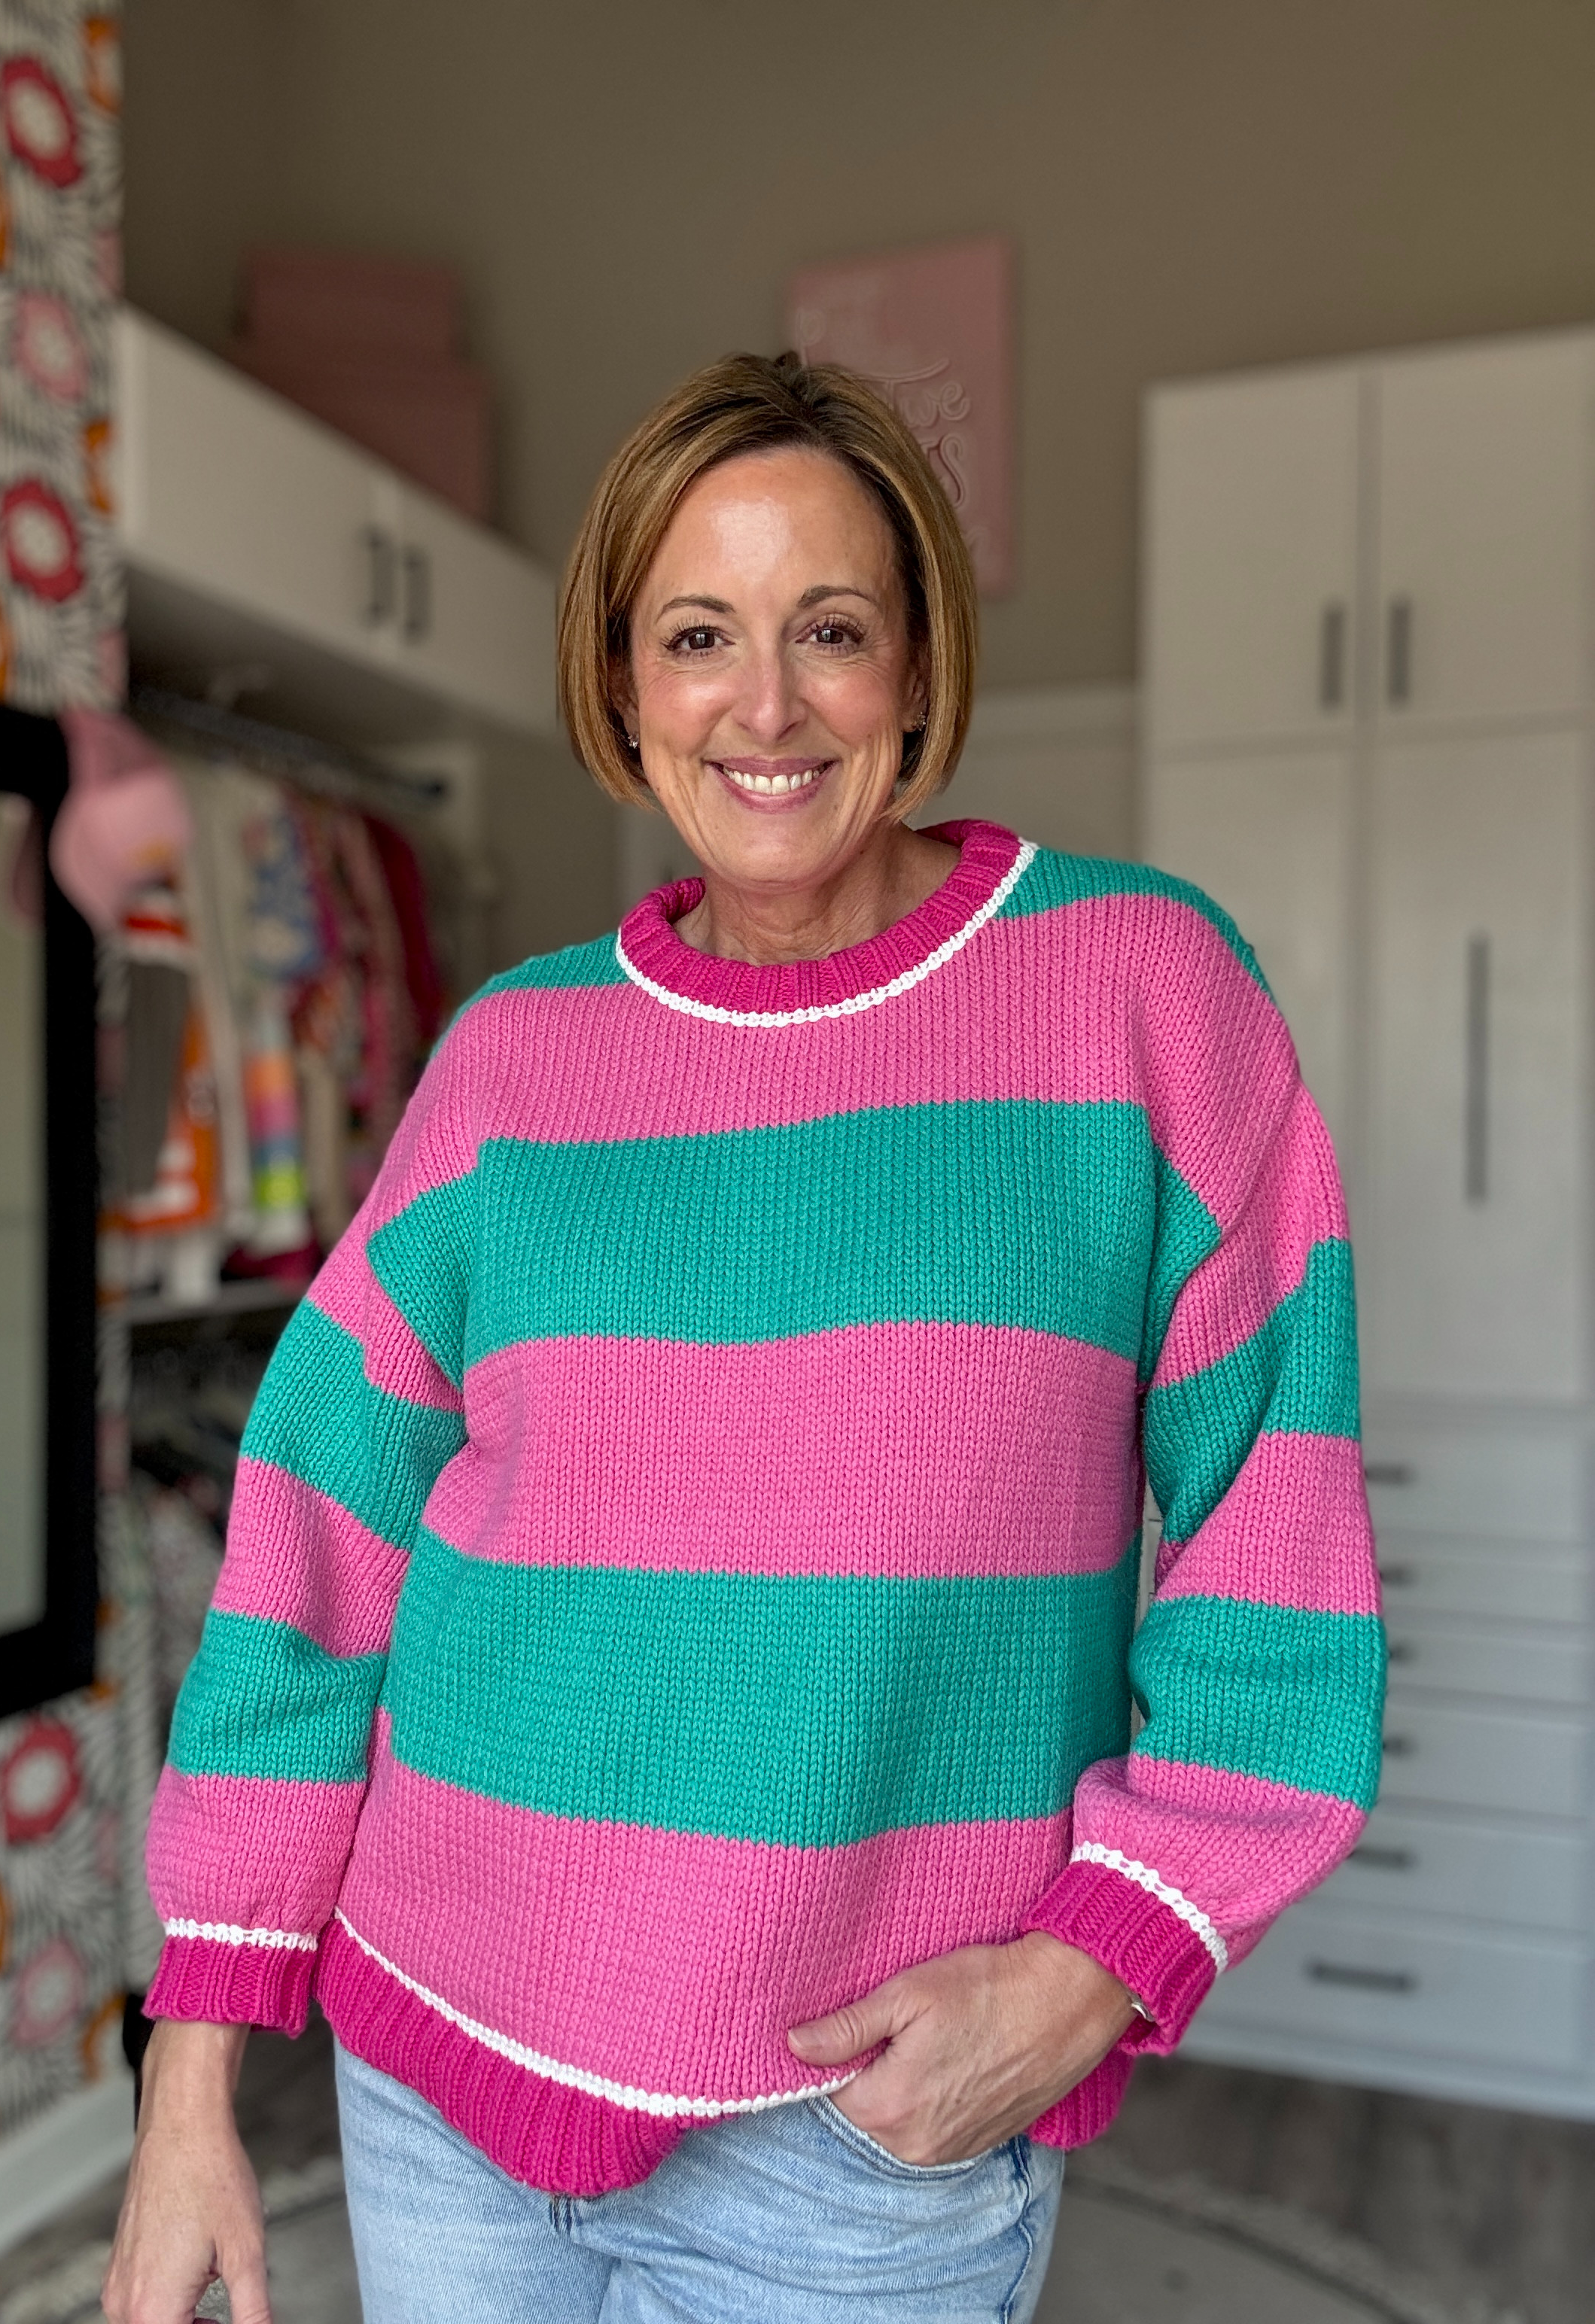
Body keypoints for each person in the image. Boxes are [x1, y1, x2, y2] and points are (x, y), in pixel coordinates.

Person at [104, 353, 1385, 2324]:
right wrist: (189, 2084)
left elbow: (1273, 1536)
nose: (764, 704)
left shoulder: (1136, 994)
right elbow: (310, 1540)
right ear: (627, 689)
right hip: (438, 2066)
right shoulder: (511, 1063)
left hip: (854, 2138)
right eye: (697, 635)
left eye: (830, 631)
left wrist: (1089, 1971)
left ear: (916, 670)